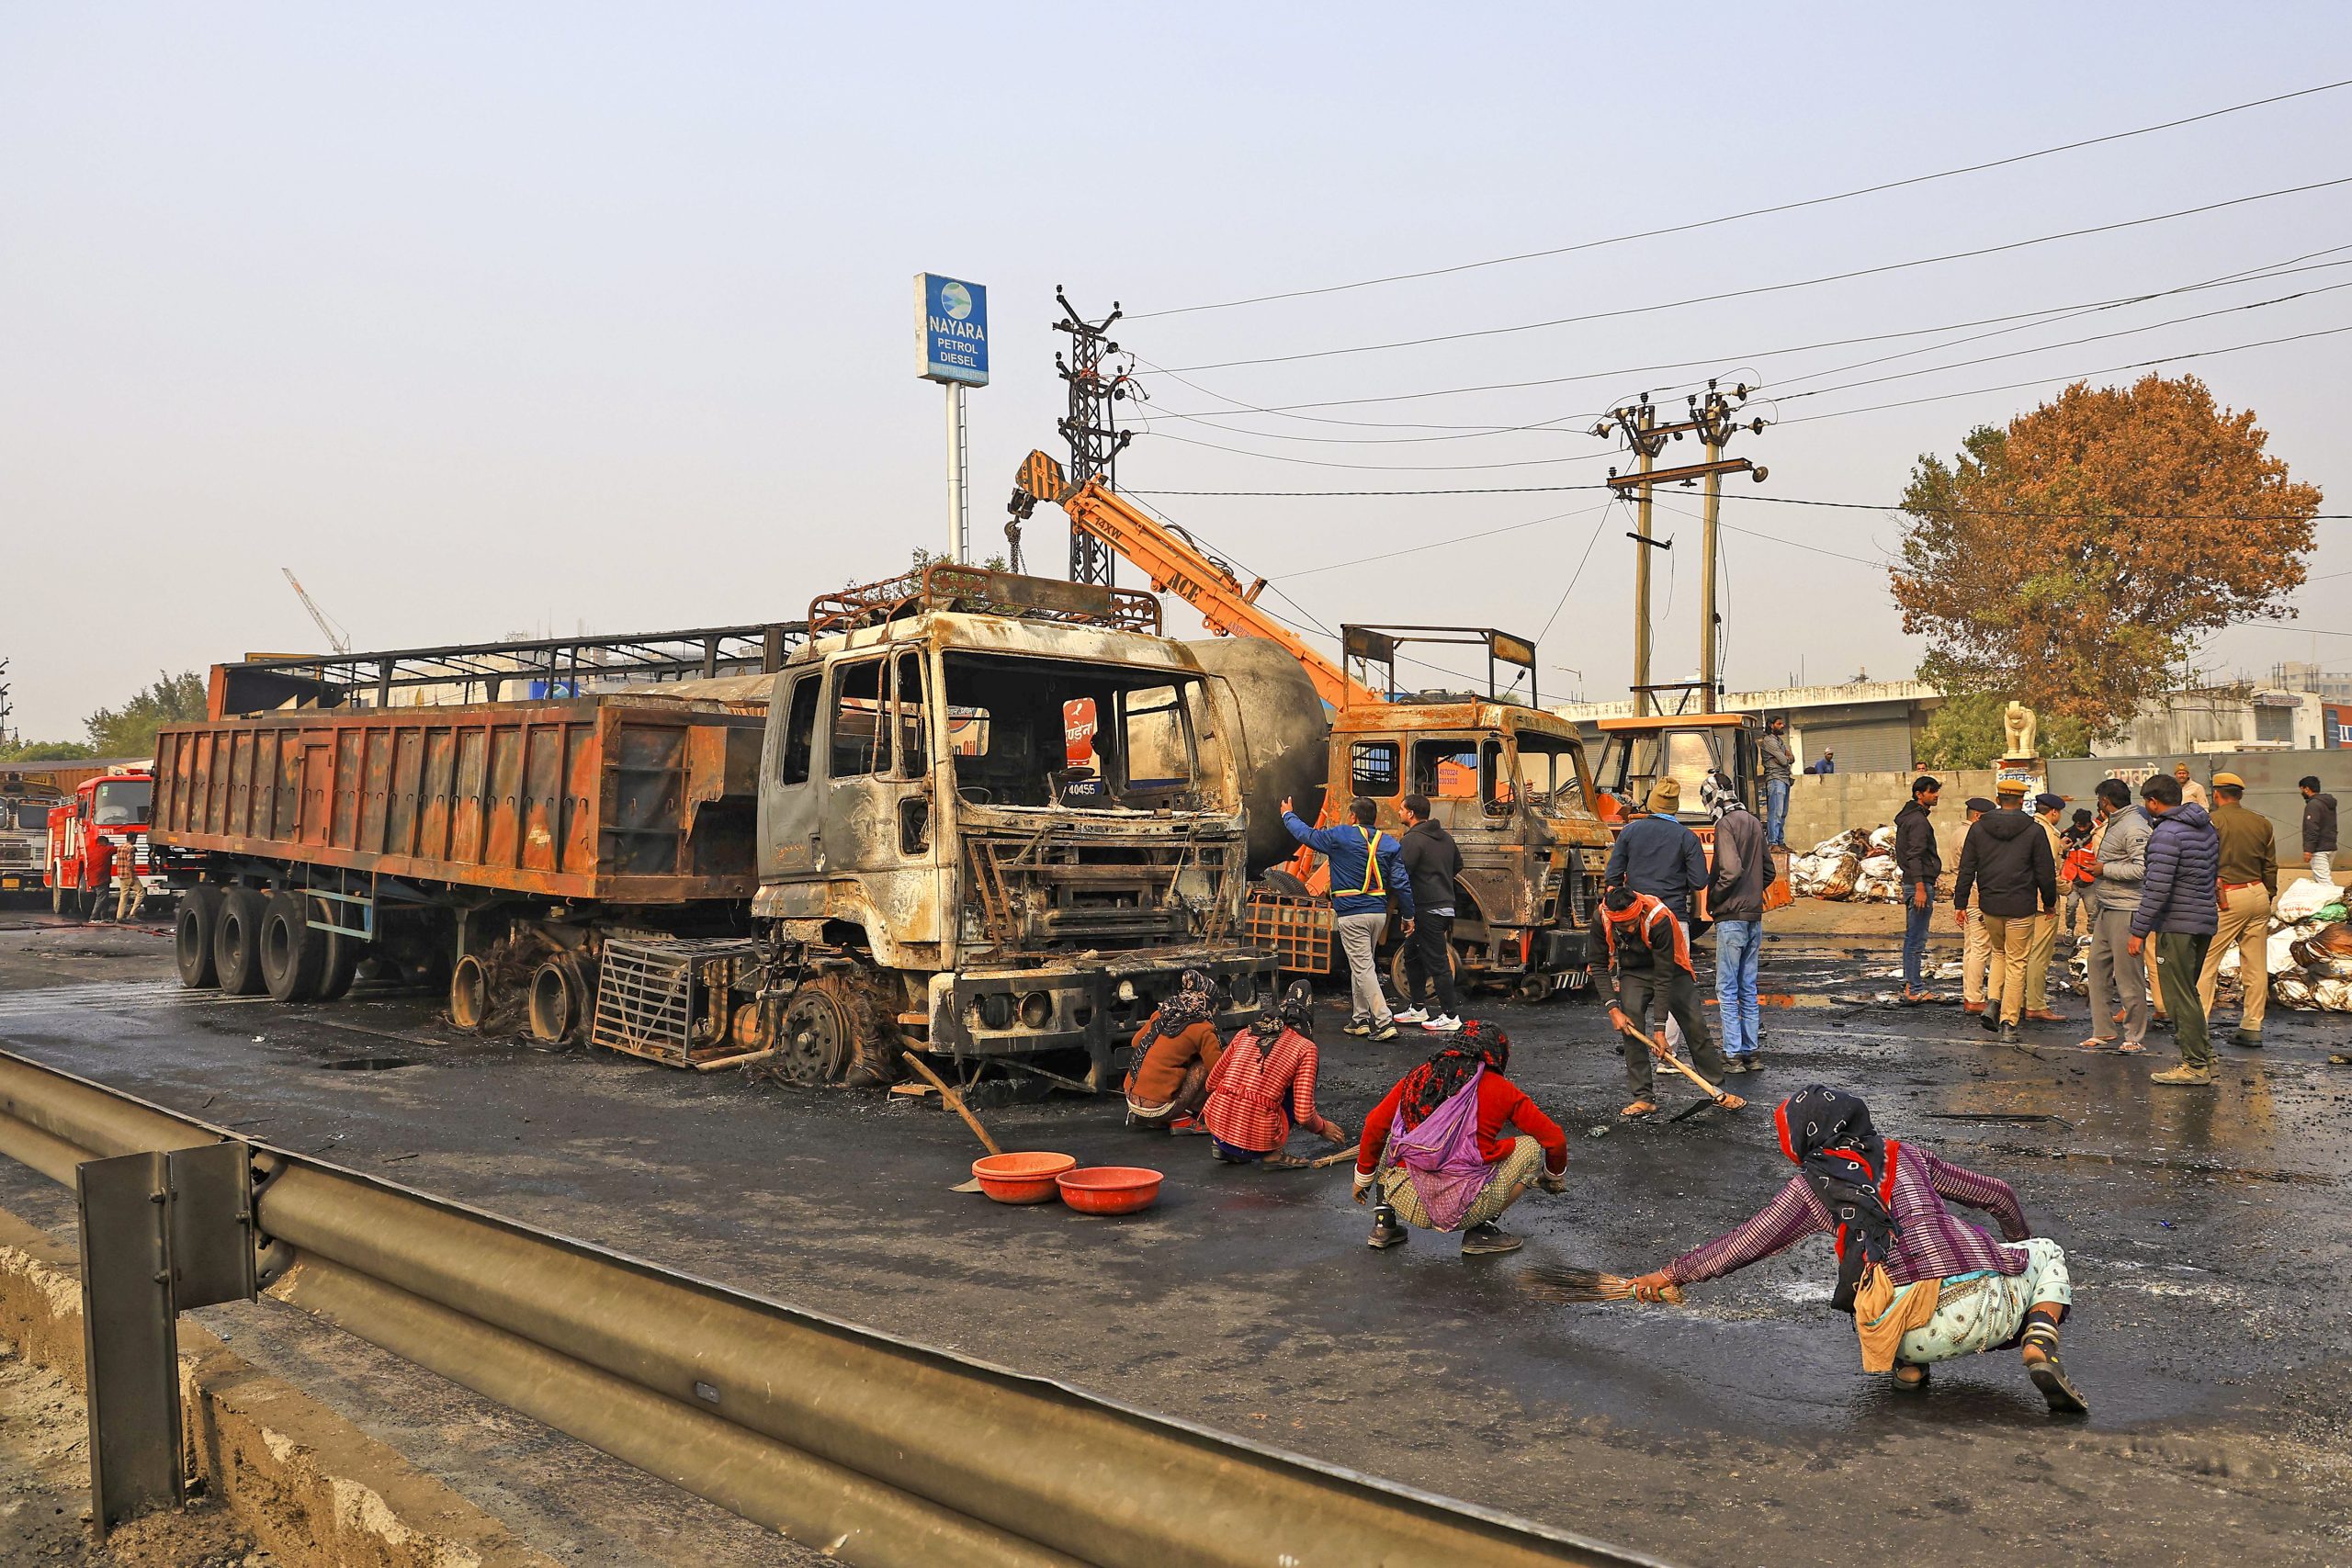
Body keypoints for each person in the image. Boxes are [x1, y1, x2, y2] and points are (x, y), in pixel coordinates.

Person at [1624, 1086, 2087, 1416]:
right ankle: (2039, 1339)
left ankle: (1910, 1369)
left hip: (1901, 1333)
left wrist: (1669, 1275)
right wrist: (2013, 1251)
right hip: (1991, 1309)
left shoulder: (1809, 1188)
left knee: (1873, 1272)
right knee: (2045, 1251)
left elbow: (1744, 1243)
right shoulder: (1907, 1155)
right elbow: (1999, 1195)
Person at [1354, 1022, 1567, 1256]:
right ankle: (1481, 1231)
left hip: (1406, 1198)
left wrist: (1363, 1178)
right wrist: (1552, 1177)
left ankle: (1383, 1224)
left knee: (1396, 1135)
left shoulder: (1417, 1077)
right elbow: (1555, 1140)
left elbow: (1374, 1125)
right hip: (1465, 1208)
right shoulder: (1501, 1088)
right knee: (1530, 1146)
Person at [1589, 878, 1746, 1112]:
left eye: (1632, 923)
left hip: (1671, 969)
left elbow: (1663, 976)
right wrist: (1613, 1009)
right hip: (1634, 971)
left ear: (1639, 911)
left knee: (1695, 1026)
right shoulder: (1601, 917)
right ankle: (1644, 1098)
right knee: (1631, 1027)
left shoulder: (1659, 917)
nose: (1629, 929)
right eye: (1623, 926)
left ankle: (1717, 1090)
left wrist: (1660, 1030)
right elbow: (1598, 965)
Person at [1279, 795, 1412, 1042]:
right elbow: (1401, 883)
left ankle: (1384, 1021)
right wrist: (1409, 914)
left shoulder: (1341, 836)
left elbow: (1307, 835)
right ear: (1374, 818)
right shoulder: (1389, 843)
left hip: (1352, 913)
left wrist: (1288, 815)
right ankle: (1360, 1019)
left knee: (1363, 967)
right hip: (1378, 914)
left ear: (1353, 816)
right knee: (1361, 965)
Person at [2132, 773, 2220, 1088]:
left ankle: (2194, 1066)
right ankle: (2205, 1057)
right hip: (2203, 920)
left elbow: (2156, 888)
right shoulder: (2206, 827)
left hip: (2177, 924)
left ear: (2153, 802)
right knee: (2188, 992)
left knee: (2178, 996)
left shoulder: (2166, 833)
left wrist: (2138, 930)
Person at [1202, 980, 1347, 1168]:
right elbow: (1303, 1114)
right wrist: (1323, 1127)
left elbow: (1211, 1083)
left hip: (1217, 1127)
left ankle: (1224, 1146)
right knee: (1293, 1092)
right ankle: (1272, 1154)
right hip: (1258, 1139)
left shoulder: (1246, 1033)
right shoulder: (1306, 1048)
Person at [1951, 786, 2055, 1045]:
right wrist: (2049, 902)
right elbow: (2044, 871)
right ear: (2022, 801)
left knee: (1998, 953)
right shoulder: (2034, 830)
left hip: (1989, 904)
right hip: (2021, 905)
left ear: (1998, 800)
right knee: (2017, 962)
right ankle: (2009, 1021)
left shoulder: (1978, 829)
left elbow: (1967, 869)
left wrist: (1960, 903)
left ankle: (1993, 1001)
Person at [2196, 772, 2278, 1049]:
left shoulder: (2212, 821)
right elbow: (2270, 865)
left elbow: (2203, 863)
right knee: (2255, 965)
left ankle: (2198, 1028)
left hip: (2227, 897)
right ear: (2240, 795)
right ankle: (2252, 1027)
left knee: (2206, 962)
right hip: (2258, 893)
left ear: (2217, 794)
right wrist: (2268, 893)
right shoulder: (2262, 822)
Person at [1702, 773, 1773, 1066]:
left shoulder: (1725, 824)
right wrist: (1752, 892)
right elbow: (1768, 871)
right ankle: (1751, 1052)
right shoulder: (1753, 821)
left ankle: (1732, 1054)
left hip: (1731, 917)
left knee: (1727, 988)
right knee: (1748, 986)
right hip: (1754, 915)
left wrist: (1715, 899)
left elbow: (1729, 872)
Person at [2081, 778, 2152, 1054]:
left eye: (2099, 800)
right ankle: (2103, 1031)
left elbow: (2142, 869)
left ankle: (2134, 1036)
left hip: (2127, 909)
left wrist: (2104, 870)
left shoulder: (2134, 826)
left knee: (2128, 976)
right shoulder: (2115, 823)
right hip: (2107, 906)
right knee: (2097, 968)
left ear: (2105, 801)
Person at [1392, 793, 1464, 1033]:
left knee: (1438, 962)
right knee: (1412, 955)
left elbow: (1402, 873)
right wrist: (1438, 880)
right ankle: (1418, 1008)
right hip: (1443, 905)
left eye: (1402, 809)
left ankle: (1451, 1016)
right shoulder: (1446, 838)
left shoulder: (1412, 840)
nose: (1399, 812)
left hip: (1427, 908)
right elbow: (1458, 865)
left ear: (1411, 813)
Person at [1123, 968, 1224, 1132]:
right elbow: (1218, 1070)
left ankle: (1153, 1117)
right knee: (1203, 1067)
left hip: (1131, 1100)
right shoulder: (1203, 1028)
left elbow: (1136, 1042)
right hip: (1159, 1107)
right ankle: (1183, 1117)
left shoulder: (1162, 1013)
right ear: (1210, 1002)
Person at [1603, 778, 1708, 928]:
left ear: (1651, 803)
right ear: (1675, 806)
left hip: (1637, 916)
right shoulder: (1688, 837)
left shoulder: (1629, 831)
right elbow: (1699, 882)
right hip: (1673, 917)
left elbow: (1613, 875)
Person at [2018, 793, 2069, 1024]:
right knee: (2039, 955)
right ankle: (2035, 1004)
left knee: (2022, 953)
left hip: (2025, 898)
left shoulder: (2028, 827)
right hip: (2044, 901)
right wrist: (2066, 888)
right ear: (2054, 812)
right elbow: (2048, 872)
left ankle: (2019, 1000)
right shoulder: (2048, 833)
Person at [1892, 775, 1942, 1002]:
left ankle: (1910, 985)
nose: (1936, 795)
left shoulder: (1911, 818)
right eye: (1932, 792)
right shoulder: (1918, 821)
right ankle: (1914, 988)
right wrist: (1921, 886)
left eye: (1936, 791)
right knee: (1916, 939)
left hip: (1914, 883)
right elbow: (1915, 855)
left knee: (1912, 937)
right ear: (1919, 794)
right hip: (1917, 885)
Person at [1954, 798, 1995, 1013]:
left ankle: (1970, 994)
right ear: (1978, 816)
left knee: (1971, 948)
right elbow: (1973, 870)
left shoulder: (1959, 832)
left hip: (1967, 896)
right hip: (1976, 895)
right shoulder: (1972, 835)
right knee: (1981, 948)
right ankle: (1975, 997)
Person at [2059, 808, 2098, 939]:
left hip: (2090, 880)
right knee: (2070, 906)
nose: (2081, 828)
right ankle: (2069, 929)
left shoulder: (2096, 836)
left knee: (2093, 910)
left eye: (2084, 826)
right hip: (2071, 878)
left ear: (2089, 823)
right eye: (2078, 825)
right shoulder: (2067, 835)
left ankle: (2092, 934)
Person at [1758, 716, 1794, 849]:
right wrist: (1785, 758)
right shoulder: (1769, 741)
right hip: (1775, 778)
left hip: (1784, 778)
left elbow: (1791, 758)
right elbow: (1785, 760)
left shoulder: (1779, 741)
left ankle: (1780, 841)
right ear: (1771, 725)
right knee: (1776, 813)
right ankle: (1773, 842)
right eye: (1779, 724)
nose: (1782, 726)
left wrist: (1785, 758)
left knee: (1783, 813)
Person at [2303, 775, 2338, 888]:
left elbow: (2312, 828)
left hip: (2319, 849)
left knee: (2325, 883)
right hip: (2331, 846)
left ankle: (2340, 898)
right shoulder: (2327, 803)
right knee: (2319, 881)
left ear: (2307, 789)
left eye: (2302, 789)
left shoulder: (2313, 804)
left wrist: (2308, 849)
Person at [83, 830, 114, 923]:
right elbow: (120, 849)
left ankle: (104, 916)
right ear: (104, 843)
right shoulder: (106, 849)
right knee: (101, 898)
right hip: (101, 878)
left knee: (104, 897)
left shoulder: (91, 851)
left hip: (92, 878)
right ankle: (93, 917)